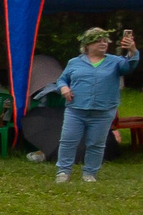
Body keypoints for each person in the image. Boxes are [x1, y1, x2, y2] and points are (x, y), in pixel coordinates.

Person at [52, 28, 137, 183]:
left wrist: (132, 51)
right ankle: (63, 172)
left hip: (103, 110)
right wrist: (63, 88)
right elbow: (62, 80)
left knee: (96, 144)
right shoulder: (74, 62)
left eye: (105, 41)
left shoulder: (115, 61)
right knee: (68, 141)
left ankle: (90, 173)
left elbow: (129, 67)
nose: (103, 43)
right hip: (75, 109)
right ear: (87, 44)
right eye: (98, 41)